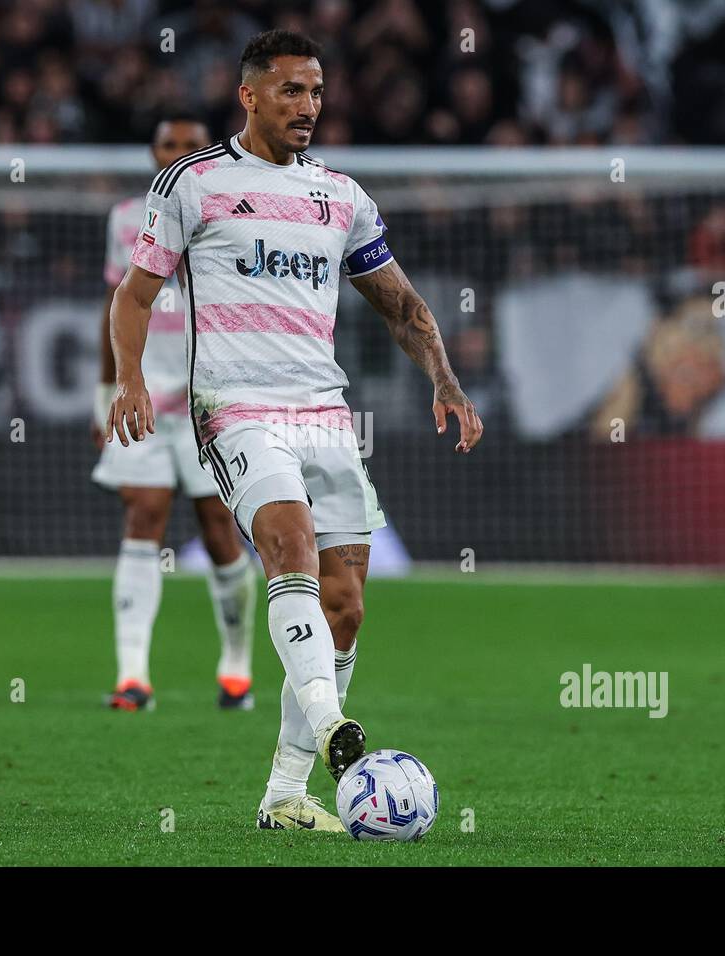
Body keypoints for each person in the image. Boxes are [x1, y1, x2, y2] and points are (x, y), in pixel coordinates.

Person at [104, 30, 482, 831]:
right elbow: (135, 295)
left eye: (316, 92)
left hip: (325, 413)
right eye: (290, 92)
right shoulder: (192, 183)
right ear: (248, 95)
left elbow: (402, 304)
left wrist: (444, 378)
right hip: (234, 408)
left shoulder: (340, 195)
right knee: (289, 548)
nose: (308, 107)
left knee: (345, 605)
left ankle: (283, 794)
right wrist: (131, 380)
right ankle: (334, 724)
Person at [91, 115, 257, 712]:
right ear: (153, 151)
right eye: (169, 144)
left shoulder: (234, 210)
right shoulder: (126, 219)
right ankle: (133, 676)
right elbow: (116, 304)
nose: (180, 153)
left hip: (211, 397)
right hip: (142, 392)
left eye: (192, 145)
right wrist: (104, 389)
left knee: (218, 528)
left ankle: (236, 665)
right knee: (145, 511)